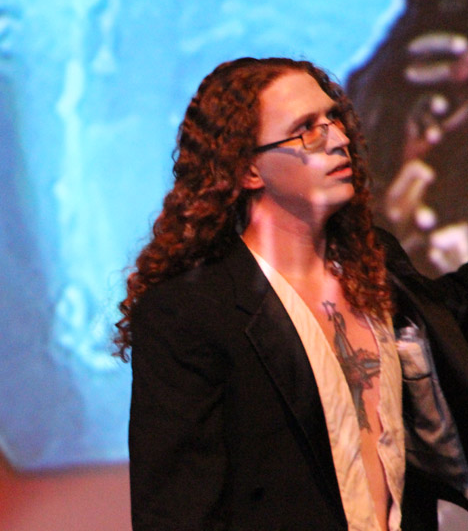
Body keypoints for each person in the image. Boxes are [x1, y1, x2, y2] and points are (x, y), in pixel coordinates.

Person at [116, 57, 468, 530]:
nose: (338, 139)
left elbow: (448, 314)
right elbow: (176, 512)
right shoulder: (191, 310)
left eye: (333, 119)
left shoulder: (373, 261)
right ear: (249, 170)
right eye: (306, 131)